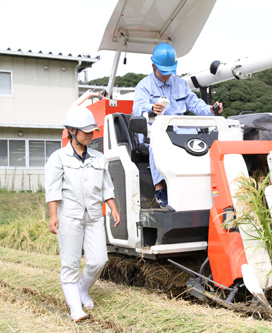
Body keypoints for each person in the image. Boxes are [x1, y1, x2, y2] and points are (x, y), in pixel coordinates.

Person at [45, 106, 121, 322]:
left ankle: (83, 289)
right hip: (69, 217)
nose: (90, 135)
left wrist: (113, 208)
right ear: (71, 131)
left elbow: (107, 187)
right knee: (70, 264)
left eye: (92, 131)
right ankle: (75, 309)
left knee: (99, 260)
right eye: (85, 131)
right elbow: (53, 189)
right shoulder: (58, 158)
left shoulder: (99, 158)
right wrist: (53, 216)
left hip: (94, 217)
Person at [133, 42, 223, 208]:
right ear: (153, 65)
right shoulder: (144, 86)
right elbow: (138, 108)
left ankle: (200, 184)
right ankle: (160, 188)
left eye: (169, 72)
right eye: (163, 72)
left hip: (179, 128)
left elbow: (195, 104)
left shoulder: (180, 84)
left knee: (199, 140)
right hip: (155, 130)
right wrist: (151, 108)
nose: (167, 76)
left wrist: (211, 110)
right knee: (157, 144)